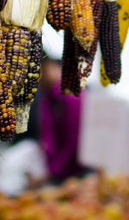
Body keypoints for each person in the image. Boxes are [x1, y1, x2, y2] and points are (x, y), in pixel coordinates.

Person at [36, 54, 87, 184]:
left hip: (76, 172)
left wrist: (53, 171)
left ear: (47, 67)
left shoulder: (69, 94)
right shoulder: (47, 97)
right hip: (59, 171)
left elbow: (75, 140)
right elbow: (48, 136)